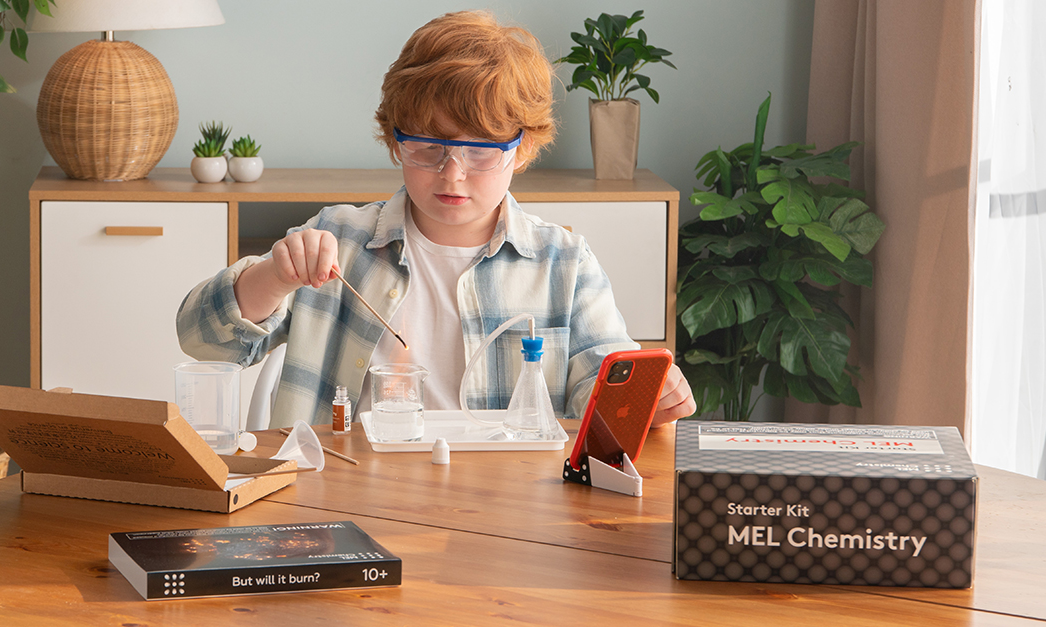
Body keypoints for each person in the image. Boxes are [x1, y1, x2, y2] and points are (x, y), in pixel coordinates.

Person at [176, 10, 695, 428]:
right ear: (394, 140)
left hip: (507, 518)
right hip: (343, 507)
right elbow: (200, 339)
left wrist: (647, 402)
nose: (452, 173)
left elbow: (603, 390)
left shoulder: (563, 263)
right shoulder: (337, 240)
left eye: (480, 151)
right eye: (427, 147)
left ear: (524, 147)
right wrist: (271, 278)